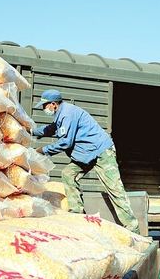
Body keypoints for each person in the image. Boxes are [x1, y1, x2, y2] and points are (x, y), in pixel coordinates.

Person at [31, 89, 140, 233]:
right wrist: (31, 131)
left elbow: (65, 143)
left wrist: (42, 150)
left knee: (115, 189)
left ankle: (133, 228)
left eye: (45, 106)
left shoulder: (67, 114)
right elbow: (51, 129)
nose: (44, 109)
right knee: (68, 174)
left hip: (101, 152)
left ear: (54, 104)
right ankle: (77, 215)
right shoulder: (61, 114)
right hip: (86, 154)